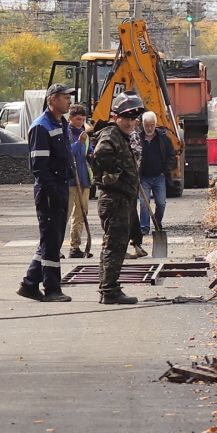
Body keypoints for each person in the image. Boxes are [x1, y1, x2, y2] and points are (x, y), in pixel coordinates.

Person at [17, 83, 77, 303]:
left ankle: (30, 284)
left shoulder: (61, 123)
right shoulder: (41, 126)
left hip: (60, 187)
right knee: (51, 243)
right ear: (52, 100)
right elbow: (39, 166)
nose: (69, 101)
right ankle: (52, 288)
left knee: (51, 240)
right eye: (64, 97)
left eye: (69, 97)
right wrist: (52, 191)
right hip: (49, 190)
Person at [88, 95, 143, 305]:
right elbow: (101, 153)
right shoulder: (111, 134)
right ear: (115, 117)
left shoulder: (121, 135)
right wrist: (114, 172)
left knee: (113, 245)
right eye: (125, 118)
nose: (130, 122)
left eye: (133, 118)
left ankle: (108, 287)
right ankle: (109, 290)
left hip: (121, 199)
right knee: (115, 246)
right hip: (115, 199)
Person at [136, 109, 174, 255]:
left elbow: (171, 155)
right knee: (144, 204)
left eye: (152, 125)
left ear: (155, 124)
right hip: (144, 177)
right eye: (147, 125)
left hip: (159, 176)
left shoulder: (163, 139)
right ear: (143, 125)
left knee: (161, 203)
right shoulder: (138, 139)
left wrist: (165, 170)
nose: (150, 128)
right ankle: (144, 227)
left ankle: (157, 223)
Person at [66, 107, 93, 259]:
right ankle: (54, 247)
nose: (80, 122)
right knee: (66, 214)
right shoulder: (67, 133)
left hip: (83, 179)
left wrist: (92, 152)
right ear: (71, 118)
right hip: (71, 180)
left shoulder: (85, 135)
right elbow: (67, 152)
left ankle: (75, 247)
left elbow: (87, 151)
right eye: (78, 119)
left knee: (81, 214)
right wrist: (78, 143)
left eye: (83, 119)